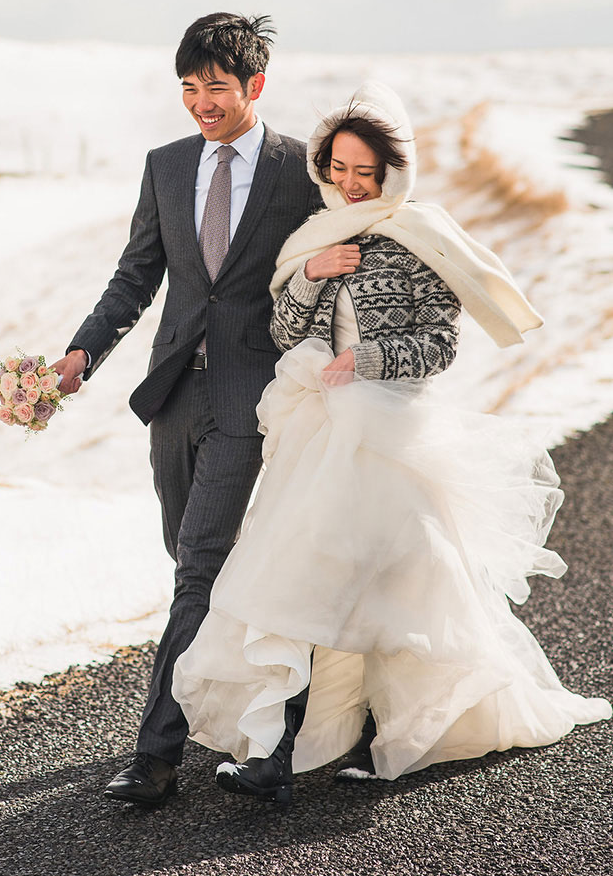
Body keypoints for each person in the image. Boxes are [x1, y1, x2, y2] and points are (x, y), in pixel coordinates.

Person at [172, 81, 612, 809]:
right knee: (296, 572)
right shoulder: (312, 236)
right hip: (317, 429)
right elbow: (285, 334)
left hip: (393, 433)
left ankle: (389, 736)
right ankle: (277, 752)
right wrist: (312, 276)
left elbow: (440, 344)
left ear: (392, 171)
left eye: (363, 171)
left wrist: (368, 362)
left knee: (390, 585)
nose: (347, 183)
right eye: (337, 167)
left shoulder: (421, 237)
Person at [51, 12, 322, 808]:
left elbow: (338, 254)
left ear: (255, 86)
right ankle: (266, 712)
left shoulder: (297, 167)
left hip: (250, 394)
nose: (202, 102)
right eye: (189, 87)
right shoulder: (166, 166)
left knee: (199, 565)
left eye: (217, 87)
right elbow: (137, 275)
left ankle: (156, 754)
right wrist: (81, 353)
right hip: (173, 394)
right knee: (191, 556)